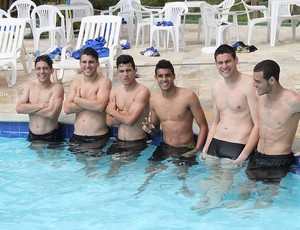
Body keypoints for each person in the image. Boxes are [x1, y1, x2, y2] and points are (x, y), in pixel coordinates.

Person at [200, 44, 259, 164]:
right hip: (216, 142)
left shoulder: (249, 85)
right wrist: (205, 149)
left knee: (225, 179)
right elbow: (215, 123)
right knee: (205, 182)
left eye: (228, 61)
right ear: (215, 64)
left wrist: (243, 157)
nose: (224, 66)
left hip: (238, 143)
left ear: (236, 60)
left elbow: (258, 125)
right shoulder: (216, 87)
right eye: (220, 63)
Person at [142, 59, 208, 165]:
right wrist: (150, 129)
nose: (164, 79)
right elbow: (156, 132)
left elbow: (204, 126)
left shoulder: (189, 96)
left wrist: (195, 150)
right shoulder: (154, 100)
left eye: (167, 75)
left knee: (181, 177)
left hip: (186, 149)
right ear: (156, 78)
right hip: (165, 147)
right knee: (149, 172)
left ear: (173, 76)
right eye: (160, 76)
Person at [246, 59, 300, 183]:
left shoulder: (292, 101)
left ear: (271, 80)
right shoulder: (260, 96)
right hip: (258, 156)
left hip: (278, 161)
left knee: (265, 201)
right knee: (243, 194)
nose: (254, 85)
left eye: (258, 81)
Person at [105, 54, 150, 175]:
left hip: (137, 143)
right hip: (119, 141)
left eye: (128, 70)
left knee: (128, 174)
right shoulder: (115, 91)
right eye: (121, 71)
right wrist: (125, 114)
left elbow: (130, 121)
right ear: (117, 72)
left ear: (135, 70)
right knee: (109, 171)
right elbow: (109, 122)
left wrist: (114, 112)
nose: (125, 74)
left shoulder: (142, 92)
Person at [63, 47, 112, 156]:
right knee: (80, 171)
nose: (87, 65)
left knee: (93, 170)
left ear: (97, 64)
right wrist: (91, 102)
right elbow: (67, 109)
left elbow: (100, 106)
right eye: (84, 62)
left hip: (97, 137)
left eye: (91, 62)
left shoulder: (104, 82)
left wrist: (77, 99)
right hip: (77, 137)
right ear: (80, 64)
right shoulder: (76, 82)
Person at [16, 55, 64, 142]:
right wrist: (41, 105)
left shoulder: (57, 88)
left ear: (51, 70)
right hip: (32, 135)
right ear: (35, 70)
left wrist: (28, 108)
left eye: (45, 68)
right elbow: (19, 109)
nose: (42, 72)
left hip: (51, 136)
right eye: (38, 68)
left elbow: (51, 114)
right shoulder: (29, 86)